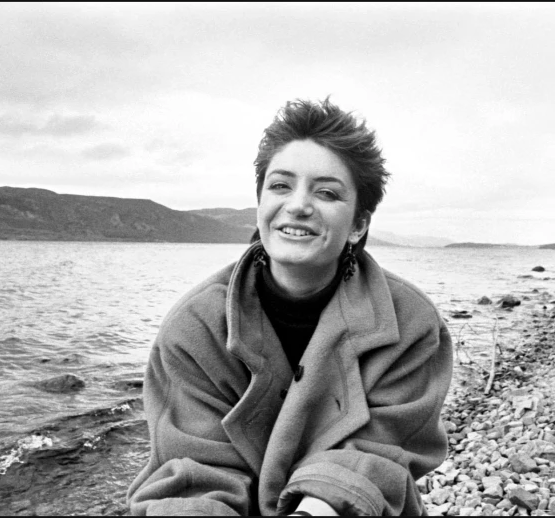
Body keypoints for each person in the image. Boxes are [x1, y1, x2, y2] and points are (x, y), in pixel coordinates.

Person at [127, 98, 454, 516]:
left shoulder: (411, 322)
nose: (298, 205)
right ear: (261, 203)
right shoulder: (194, 327)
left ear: (358, 224)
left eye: (327, 192)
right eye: (281, 186)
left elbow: (381, 452)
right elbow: (189, 469)